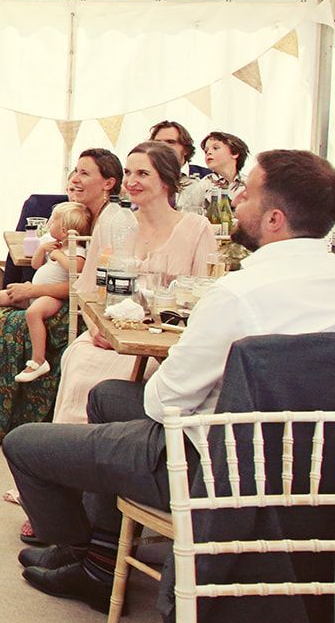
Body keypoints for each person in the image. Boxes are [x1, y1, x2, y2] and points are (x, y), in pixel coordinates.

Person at [2, 150, 335, 612]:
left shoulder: (238, 295)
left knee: (25, 445)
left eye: (247, 193)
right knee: (107, 396)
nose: (235, 200)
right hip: (310, 468)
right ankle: (101, 560)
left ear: (275, 219)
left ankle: (84, 555)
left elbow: (163, 403)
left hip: (215, 467)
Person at [0, 149, 127, 442]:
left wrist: (33, 290)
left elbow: (85, 286)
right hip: (68, 298)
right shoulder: (80, 215)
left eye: (85, 173)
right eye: (75, 171)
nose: (75, 178)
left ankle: (11, 417)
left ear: (108, 184)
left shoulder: (110, 223)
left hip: (81, 309)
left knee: (10, 325)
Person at [52, 141, 218, 425]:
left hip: (164, 345)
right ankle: (75, 456)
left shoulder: (196, 228)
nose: (131, 181)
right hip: (109, 336)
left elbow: (205, 297)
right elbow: (87, 289)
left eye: (142, 174)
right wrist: (96, 330)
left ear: (167, 179)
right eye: (128, 173)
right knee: (79, 361)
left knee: (143, 376)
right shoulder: (113, 223)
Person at [0, 200, 92, 385]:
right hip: (36, 293)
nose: (48, 224)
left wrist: (58, 256)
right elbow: (36, 265)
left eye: (52, 221)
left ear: (64, 231)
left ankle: (39, 360)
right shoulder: (53, 245)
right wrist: (42, 250)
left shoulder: (75, 250)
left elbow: (76, 269)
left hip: (52, 297)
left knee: (34, 312)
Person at [199, 129, 249, 204]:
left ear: (234, 153)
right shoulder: (201, 186)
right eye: (206, 151)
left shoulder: (249, 185)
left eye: (215, 148)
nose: (208, 152)